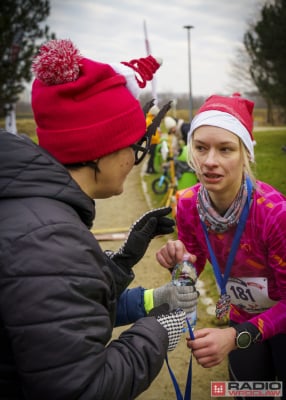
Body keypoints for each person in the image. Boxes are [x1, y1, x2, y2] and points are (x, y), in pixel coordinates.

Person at [0, 39, 199, 400]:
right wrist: (160, 329)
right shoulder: (50, 240)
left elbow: (57, 313)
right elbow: (85, 389)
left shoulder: (34, 213)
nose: (136, 157)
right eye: (133, 144)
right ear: (101, 149)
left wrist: (120, 263)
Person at [156, 93, 286, 399]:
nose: (209, 161)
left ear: (245, 154)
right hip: (239, 312)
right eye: (201, 148)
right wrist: (182, 269)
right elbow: (195, 255)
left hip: (278, 318)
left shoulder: (274, 214)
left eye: (225, 149)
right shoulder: (187, 203)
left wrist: (234, 336)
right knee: (251, 393)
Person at [145, 104, 161, 174]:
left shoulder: (151, 120)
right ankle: (149, 169)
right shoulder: (149, 120)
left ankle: (151, 169)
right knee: (151, 157)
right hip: (152, 142)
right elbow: (149, 132)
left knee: (152, 156)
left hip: (154, 142)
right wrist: (156, 137)